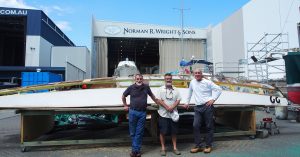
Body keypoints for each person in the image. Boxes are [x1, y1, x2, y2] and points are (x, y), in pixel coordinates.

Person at [183, 69, 222, 154]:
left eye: (199, 73)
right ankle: (198, 145)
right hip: (197, 107)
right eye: (196, 73)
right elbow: (189, 92)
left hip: (207, 106)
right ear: (194, 74)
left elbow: (219, 89)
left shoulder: (207, 82)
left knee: (209, 126)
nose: (197, 74)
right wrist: (187, 103)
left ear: (201, 74)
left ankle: (208, 145)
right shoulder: (192, 82)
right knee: (195, 125)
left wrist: (213, 99)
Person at [122, 74, 157, 157]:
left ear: (142, 79)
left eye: (140, 79)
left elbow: (152, 96)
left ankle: (135, 151)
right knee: (133, 132)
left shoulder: (146, 87)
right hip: (132, 112)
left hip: (142, 112)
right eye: (137, 79)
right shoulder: (131, 87)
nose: (139, 80)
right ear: (135, 79)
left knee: (139, 132)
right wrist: (125, 105)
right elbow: (123, 96)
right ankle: (136, 151)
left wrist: (158, 102)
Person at [156, 73, 181, 156]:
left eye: (169, 78)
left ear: (171, 79)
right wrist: (167, 107)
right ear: (164, 79)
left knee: (174, 132)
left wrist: (172, 107)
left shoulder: (176, 89)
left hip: (173, 114)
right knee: (163, 132)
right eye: (167, 78)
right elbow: (158, 100)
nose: (168, 80)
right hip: (163, 114)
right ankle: (163, 148)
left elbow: (178, 100)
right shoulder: (160, 89)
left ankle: (175, 148)